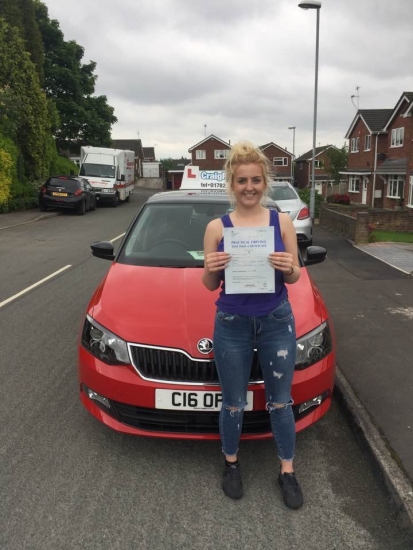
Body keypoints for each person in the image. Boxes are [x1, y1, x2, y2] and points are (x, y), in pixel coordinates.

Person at [202, 141, 303, 510]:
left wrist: (286, 266)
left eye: (256, 180)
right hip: (232, 322)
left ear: (265, 182)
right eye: (242, 180)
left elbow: (294, 276)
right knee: (232, 403)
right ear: (232, 182)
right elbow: (210, 285)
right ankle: (231, 464)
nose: (249, 187)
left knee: (280, 401)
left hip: (276, 319)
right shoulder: (217, 227)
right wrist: (211, 268)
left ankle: (287, 471)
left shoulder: (282, 222)